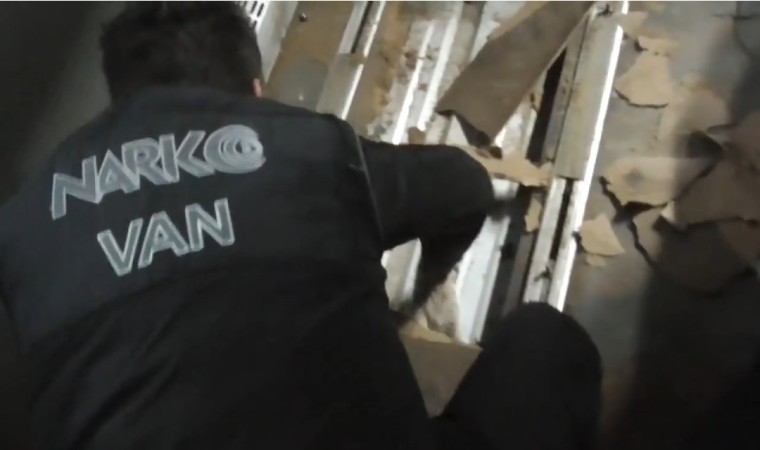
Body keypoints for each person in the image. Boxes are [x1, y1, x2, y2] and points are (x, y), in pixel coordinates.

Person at [0, 3, 602, 449]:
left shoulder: (23, 222)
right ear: (256, 90)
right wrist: (428, 278)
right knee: (547, 342)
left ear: (121, 94)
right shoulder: (301, 146)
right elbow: (463, 187)